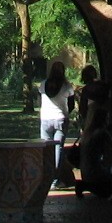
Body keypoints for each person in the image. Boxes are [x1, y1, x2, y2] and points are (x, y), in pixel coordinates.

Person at [38, 60, 74, 188]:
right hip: (60, 119)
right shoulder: (67, 86)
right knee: (58, 149)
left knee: (46, 149)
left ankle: (45, 177)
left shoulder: (43, 84)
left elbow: (39, 100)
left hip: (45, 119)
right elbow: (71, 105)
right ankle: (55, 180)